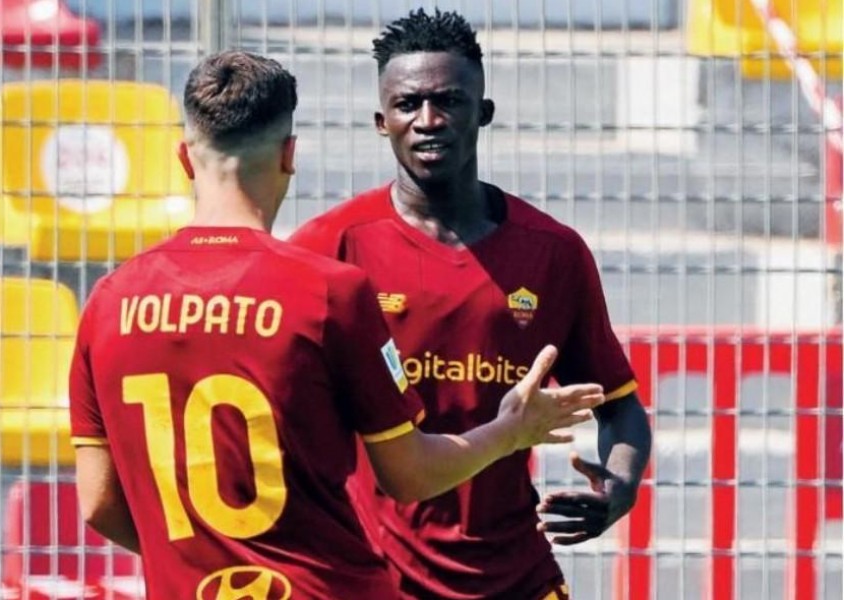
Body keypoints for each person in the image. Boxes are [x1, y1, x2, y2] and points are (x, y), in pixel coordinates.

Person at [68, 50, 605, 600]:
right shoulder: (328, 292)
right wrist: (509, 431)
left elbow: (98, 504)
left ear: (184, 159)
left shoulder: (110, 301)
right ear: (289, 155)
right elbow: (410, 473)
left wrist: (202, 559)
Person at [289, 8, 653, 599]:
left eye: (448, 102)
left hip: (514, 575)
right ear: (382, 122)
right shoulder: (330, 247)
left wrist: (619, 487)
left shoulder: (552, 253)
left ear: (482, 113)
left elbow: (620, 408)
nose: (428, 121)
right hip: (372, 578)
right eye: (408, 105)